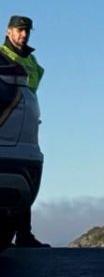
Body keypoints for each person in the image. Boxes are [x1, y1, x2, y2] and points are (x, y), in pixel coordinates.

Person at [2, 14, 48, 247]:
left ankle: (24, 234)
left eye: (26, 31)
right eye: (19, 30)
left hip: (25, 121)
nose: (23, 35)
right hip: (7, 119)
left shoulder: (31, 61)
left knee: (25, 175)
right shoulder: (4, 57)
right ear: (8, 31)